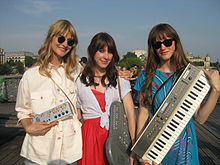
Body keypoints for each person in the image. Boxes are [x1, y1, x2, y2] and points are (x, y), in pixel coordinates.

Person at [134, 23, 220, 165]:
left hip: (185, 148)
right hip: (157, 147)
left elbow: (200, 118)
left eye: (167, 42)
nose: (163, 47)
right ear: (153, 49)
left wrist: (216, 91)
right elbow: (143, 114)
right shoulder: (146, 76)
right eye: (157, 45)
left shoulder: (191, 76)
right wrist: (140, 152)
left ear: (175, 43)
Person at [15, 19, 82, 165]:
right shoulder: (31, 76)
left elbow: (99, 76)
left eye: (70, 42)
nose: (65, 44)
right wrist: (28, 126)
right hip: (39, 151)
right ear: (51, 37)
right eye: (61, 38)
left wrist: (120, 75)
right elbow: (22, 110)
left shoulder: (76, 71)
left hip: (69, 152)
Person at [76, 32, 136, 165]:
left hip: (116, 140)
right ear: (92, 52)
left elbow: (131, 114)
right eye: (101, 51)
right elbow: (76, 115)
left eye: (110, 52)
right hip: (88, 140)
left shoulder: (121, 80)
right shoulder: (79, 82)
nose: (106, 56)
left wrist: (134, 147)